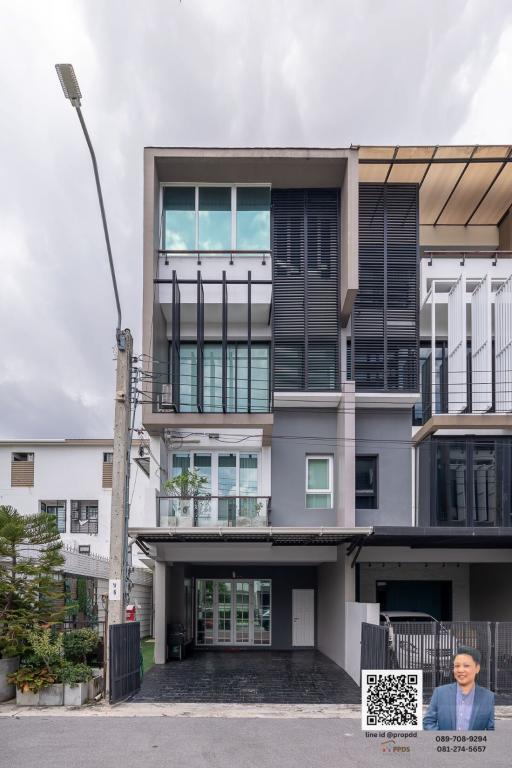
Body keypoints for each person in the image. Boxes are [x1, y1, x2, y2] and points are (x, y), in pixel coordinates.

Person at [423, 646, 495, 731]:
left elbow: (492, 729)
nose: (460, 670)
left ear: (477, 668)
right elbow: (428, 722)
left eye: (466, 666)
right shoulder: (440, 693)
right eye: (457, 666)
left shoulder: (489, 697)